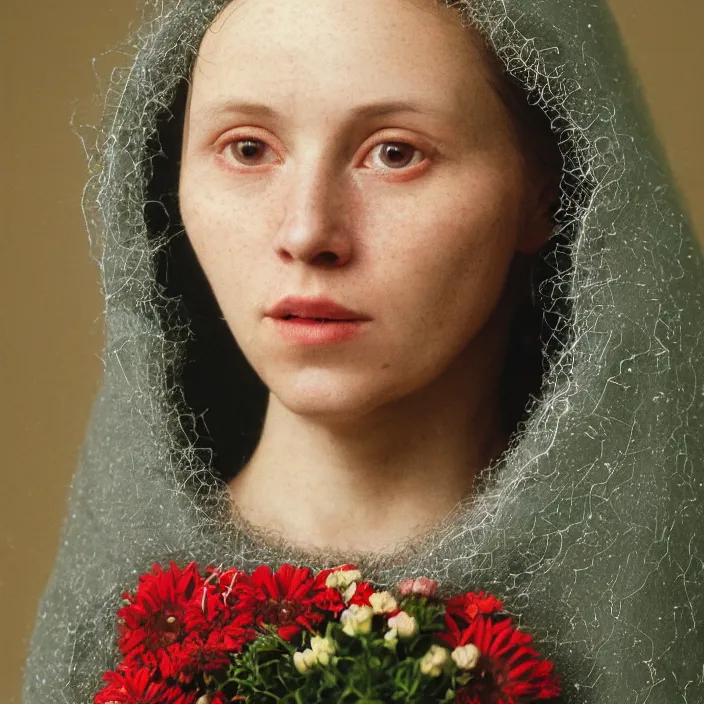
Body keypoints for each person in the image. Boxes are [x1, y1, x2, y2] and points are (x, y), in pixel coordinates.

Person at [23, 0, 704, 702]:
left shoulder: (662, 610)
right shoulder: (105, 629)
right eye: (249, 148)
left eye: (395, 152)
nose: (308, 229)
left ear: (545, 192)